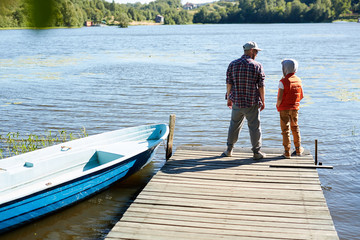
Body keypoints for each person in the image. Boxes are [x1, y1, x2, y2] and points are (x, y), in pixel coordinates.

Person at [222, 41, 266, 160]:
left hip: (237, 101)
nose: (257, 54)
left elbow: (229, 82)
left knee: (234, 126)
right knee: (255, 127)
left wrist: (229, 97)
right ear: (251, 51)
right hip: (252, 102)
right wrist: (263, 100)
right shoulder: (257, 65)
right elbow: (261, 85)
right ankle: (256, 152)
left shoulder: (233, 64)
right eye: (256, 51)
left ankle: (229, 150)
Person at [276, 59, 304, 158]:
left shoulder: (282, 81)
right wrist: (295, 103)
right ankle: (298, 149)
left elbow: (280, 97)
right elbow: (301, 96)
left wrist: (277, 105)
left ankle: (287, 151)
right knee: (295, 128)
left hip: (284, 108)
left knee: (285, 130)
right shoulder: (299, 80)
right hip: (295, 108)